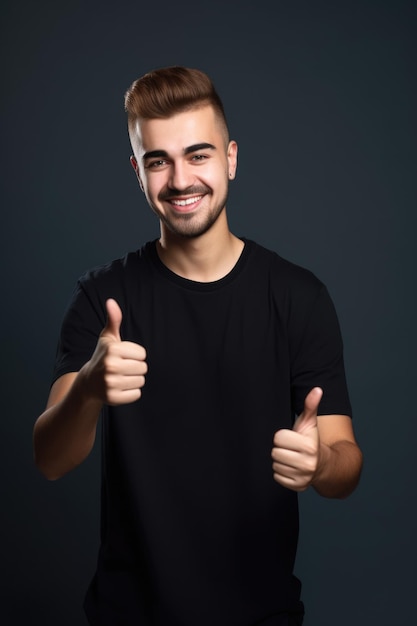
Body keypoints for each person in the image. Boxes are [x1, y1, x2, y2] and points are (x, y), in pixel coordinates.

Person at [33, 66, 363, 626]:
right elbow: (50, 460)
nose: (181, 180)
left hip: (263, 615)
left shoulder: (298, 297)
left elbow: (346, 464)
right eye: (158, 161)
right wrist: (89, 388)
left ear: (230, 158)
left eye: (199, 155)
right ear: (137, 172)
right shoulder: (101, 297)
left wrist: (319, 463)